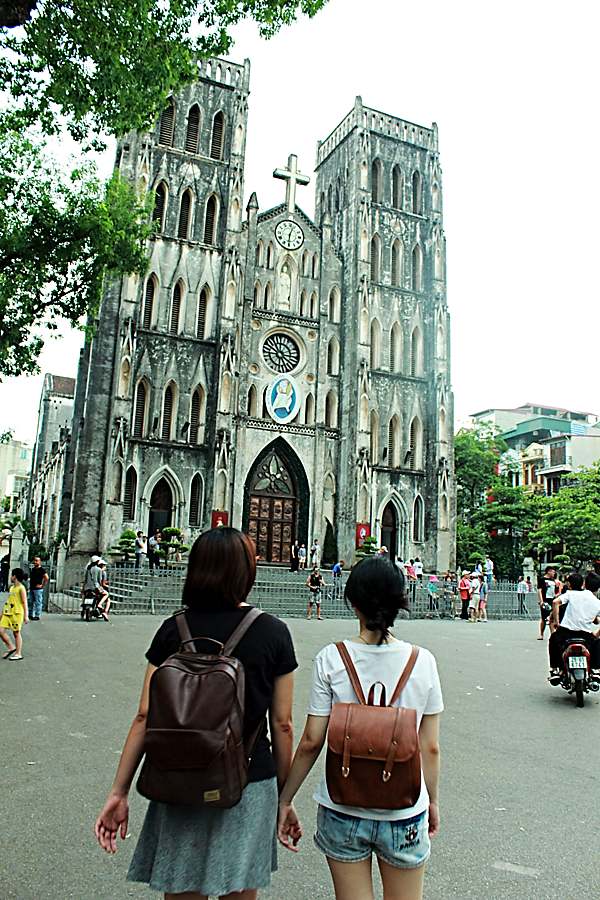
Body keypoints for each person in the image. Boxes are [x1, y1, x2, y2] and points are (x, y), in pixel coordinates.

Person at [94, 526, 298, 897]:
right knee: (239, 891)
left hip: (179, 776)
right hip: (248, 782)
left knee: (182, 889)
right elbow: (282, 724)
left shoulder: (173, 629)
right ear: (246, 572)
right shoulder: (273, 632)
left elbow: (145, 715)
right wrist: (285, 797)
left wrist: (119, 791)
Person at [277, 556, 443, 900]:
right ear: (401, 600)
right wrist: (433, 801)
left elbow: (310, 741)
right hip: (404, 808)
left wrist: (285, 799)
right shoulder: (422, 661)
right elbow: (430, 747)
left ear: (353, 602)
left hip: (342, 807)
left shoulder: (331, 658)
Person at [548, 572, 600, 677]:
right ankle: (595, 669)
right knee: (597, 644)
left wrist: (557, 622)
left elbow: (555, 602)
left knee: (553, 639)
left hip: (566, 633)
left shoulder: (572, 593)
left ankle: (554, 669)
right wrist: (597, 634)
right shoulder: (597, 602)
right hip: (585, 635)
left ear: (584, 584)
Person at [0, 568, 29, 660]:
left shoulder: (21, 588)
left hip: (17, 613)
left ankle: (18, 653)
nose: (10, 577)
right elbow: (9, 601)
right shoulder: (12, 587)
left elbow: (24, 602)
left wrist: (26, 616)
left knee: (16, 633)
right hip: (7, 612)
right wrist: (2, 612)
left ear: (14, 576)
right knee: (0, 630)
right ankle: (11, 647)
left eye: (11, 575)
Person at [537, 565, 560, 640]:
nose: (554, 573)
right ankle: (541, 634)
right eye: (553, 572)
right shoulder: (542, 579)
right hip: (545, 600)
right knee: (544, 618)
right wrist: (541, 601)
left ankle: (553, 635)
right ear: (548, 571)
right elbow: (539, 590)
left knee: (552, 618)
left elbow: (556, 591)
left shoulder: (554, 580)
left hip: (552, 600)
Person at [29, 555, 48, 620]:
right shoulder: (33, 569)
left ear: (40, 562)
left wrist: (42, 585)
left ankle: (37, 615)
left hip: (38, 589)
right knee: (30, 602)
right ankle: (30, 614)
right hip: (32, 588)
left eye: (37, 561)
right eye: (34, 560)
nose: (35, 562)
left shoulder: (42, 570)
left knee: (38, 602)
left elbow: (46, 578)